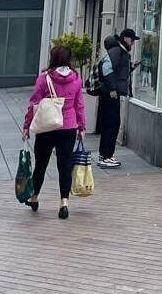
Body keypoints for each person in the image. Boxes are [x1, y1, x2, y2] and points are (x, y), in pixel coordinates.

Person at [22, 44, 85, 219]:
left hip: (47, 127)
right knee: (65, 166)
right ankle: (64, 203)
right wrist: (81, 127)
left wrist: (27, 125)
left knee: (41, 164)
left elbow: (34, 104)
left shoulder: (44, 78)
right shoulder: (76, 78)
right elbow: (79, 105)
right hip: (68, 126)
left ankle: (34, 197)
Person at [95, 29, 136, 169]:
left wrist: (131, 68)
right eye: (132, 40)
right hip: (111, 94)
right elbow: (106, 68)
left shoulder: (119, 51)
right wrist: (112, 88)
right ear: (126, 39)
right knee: (112, 124)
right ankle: (106, 156)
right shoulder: (117, 51)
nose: (133, 43)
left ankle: (105, 155)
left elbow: (117, 71)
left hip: (110, 93)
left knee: (110, 124)